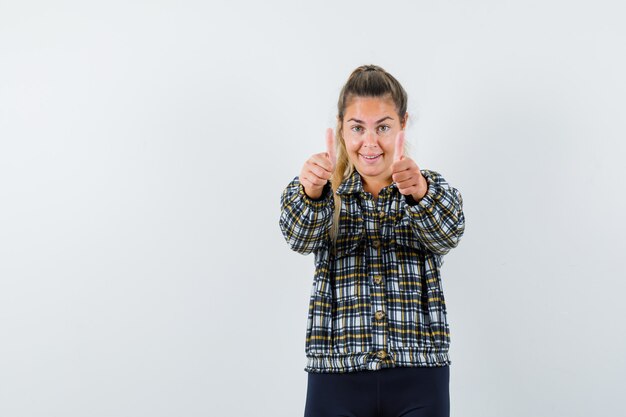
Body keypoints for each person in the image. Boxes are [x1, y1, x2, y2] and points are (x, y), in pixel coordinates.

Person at [279, 64, 466, 417]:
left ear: (402, 125)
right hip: (335, 374)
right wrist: (311, 191)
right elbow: (297, 236)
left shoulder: (430, 188)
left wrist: (419, 193)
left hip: (420, 372)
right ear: (341, 128)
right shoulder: (321, 190)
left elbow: (449, 232)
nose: (370, 142)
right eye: (357, 128)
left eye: (383, 127)